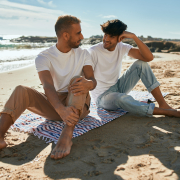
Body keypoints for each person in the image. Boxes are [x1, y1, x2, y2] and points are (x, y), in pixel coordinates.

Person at [0, 15, 97, 160]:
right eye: (78, 33)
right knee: (21, 90)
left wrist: (88, 83)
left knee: (77, 80)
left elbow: (92, 80)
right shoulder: (44, 57)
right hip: (55, 105)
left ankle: (67, 134)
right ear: (65, 35)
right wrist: (60, 109)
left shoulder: (83, 54)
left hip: (80, 104)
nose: (82, 36)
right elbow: (48, 86)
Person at [88, 19, 180, 117]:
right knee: (121, 99)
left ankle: (163, 104)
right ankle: (166, 112)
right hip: (102, 97)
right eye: (105, 34)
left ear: (120, 38)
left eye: (112, 36)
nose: (106, 39)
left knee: (141, 64)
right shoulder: (93, 51)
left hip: (118, 87)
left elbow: (148, 57)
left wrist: (134, 37)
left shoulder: (121, 47)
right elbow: (86, 76)